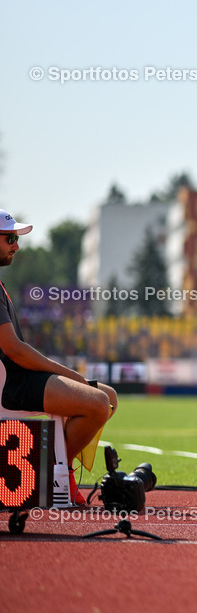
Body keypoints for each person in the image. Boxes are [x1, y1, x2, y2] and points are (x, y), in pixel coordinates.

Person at [0, 209, 118, 504]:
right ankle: (54, 474)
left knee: (109, 396)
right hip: (9, 385)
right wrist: (68, 374)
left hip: (18, 376)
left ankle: (58, 470)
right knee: (97, 403)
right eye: (10, 238)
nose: (16, 245)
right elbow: (13, 349)